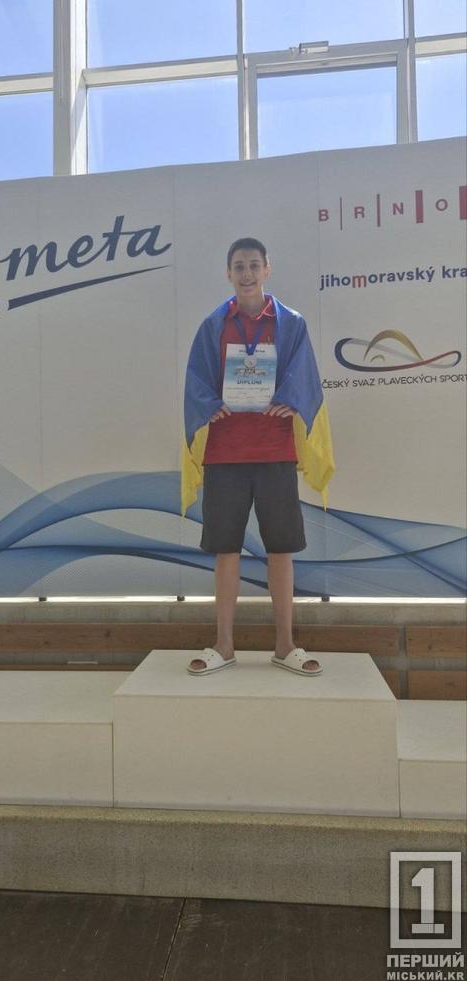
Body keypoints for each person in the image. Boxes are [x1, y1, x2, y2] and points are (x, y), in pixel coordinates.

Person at [181, 237, 335, 676]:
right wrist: (209, 402)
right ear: (228, 273)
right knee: (225, 549)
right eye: (238, 266)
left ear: (267, 269)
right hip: (224, 453)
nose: (246, 274)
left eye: (253, 265)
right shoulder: (213, 325)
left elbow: (304, 375)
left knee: (281, 549)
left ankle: (285, 645)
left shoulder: (291, 323)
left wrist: (290, 397)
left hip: (275, 451)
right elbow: (196, 379)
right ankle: (223, 645)